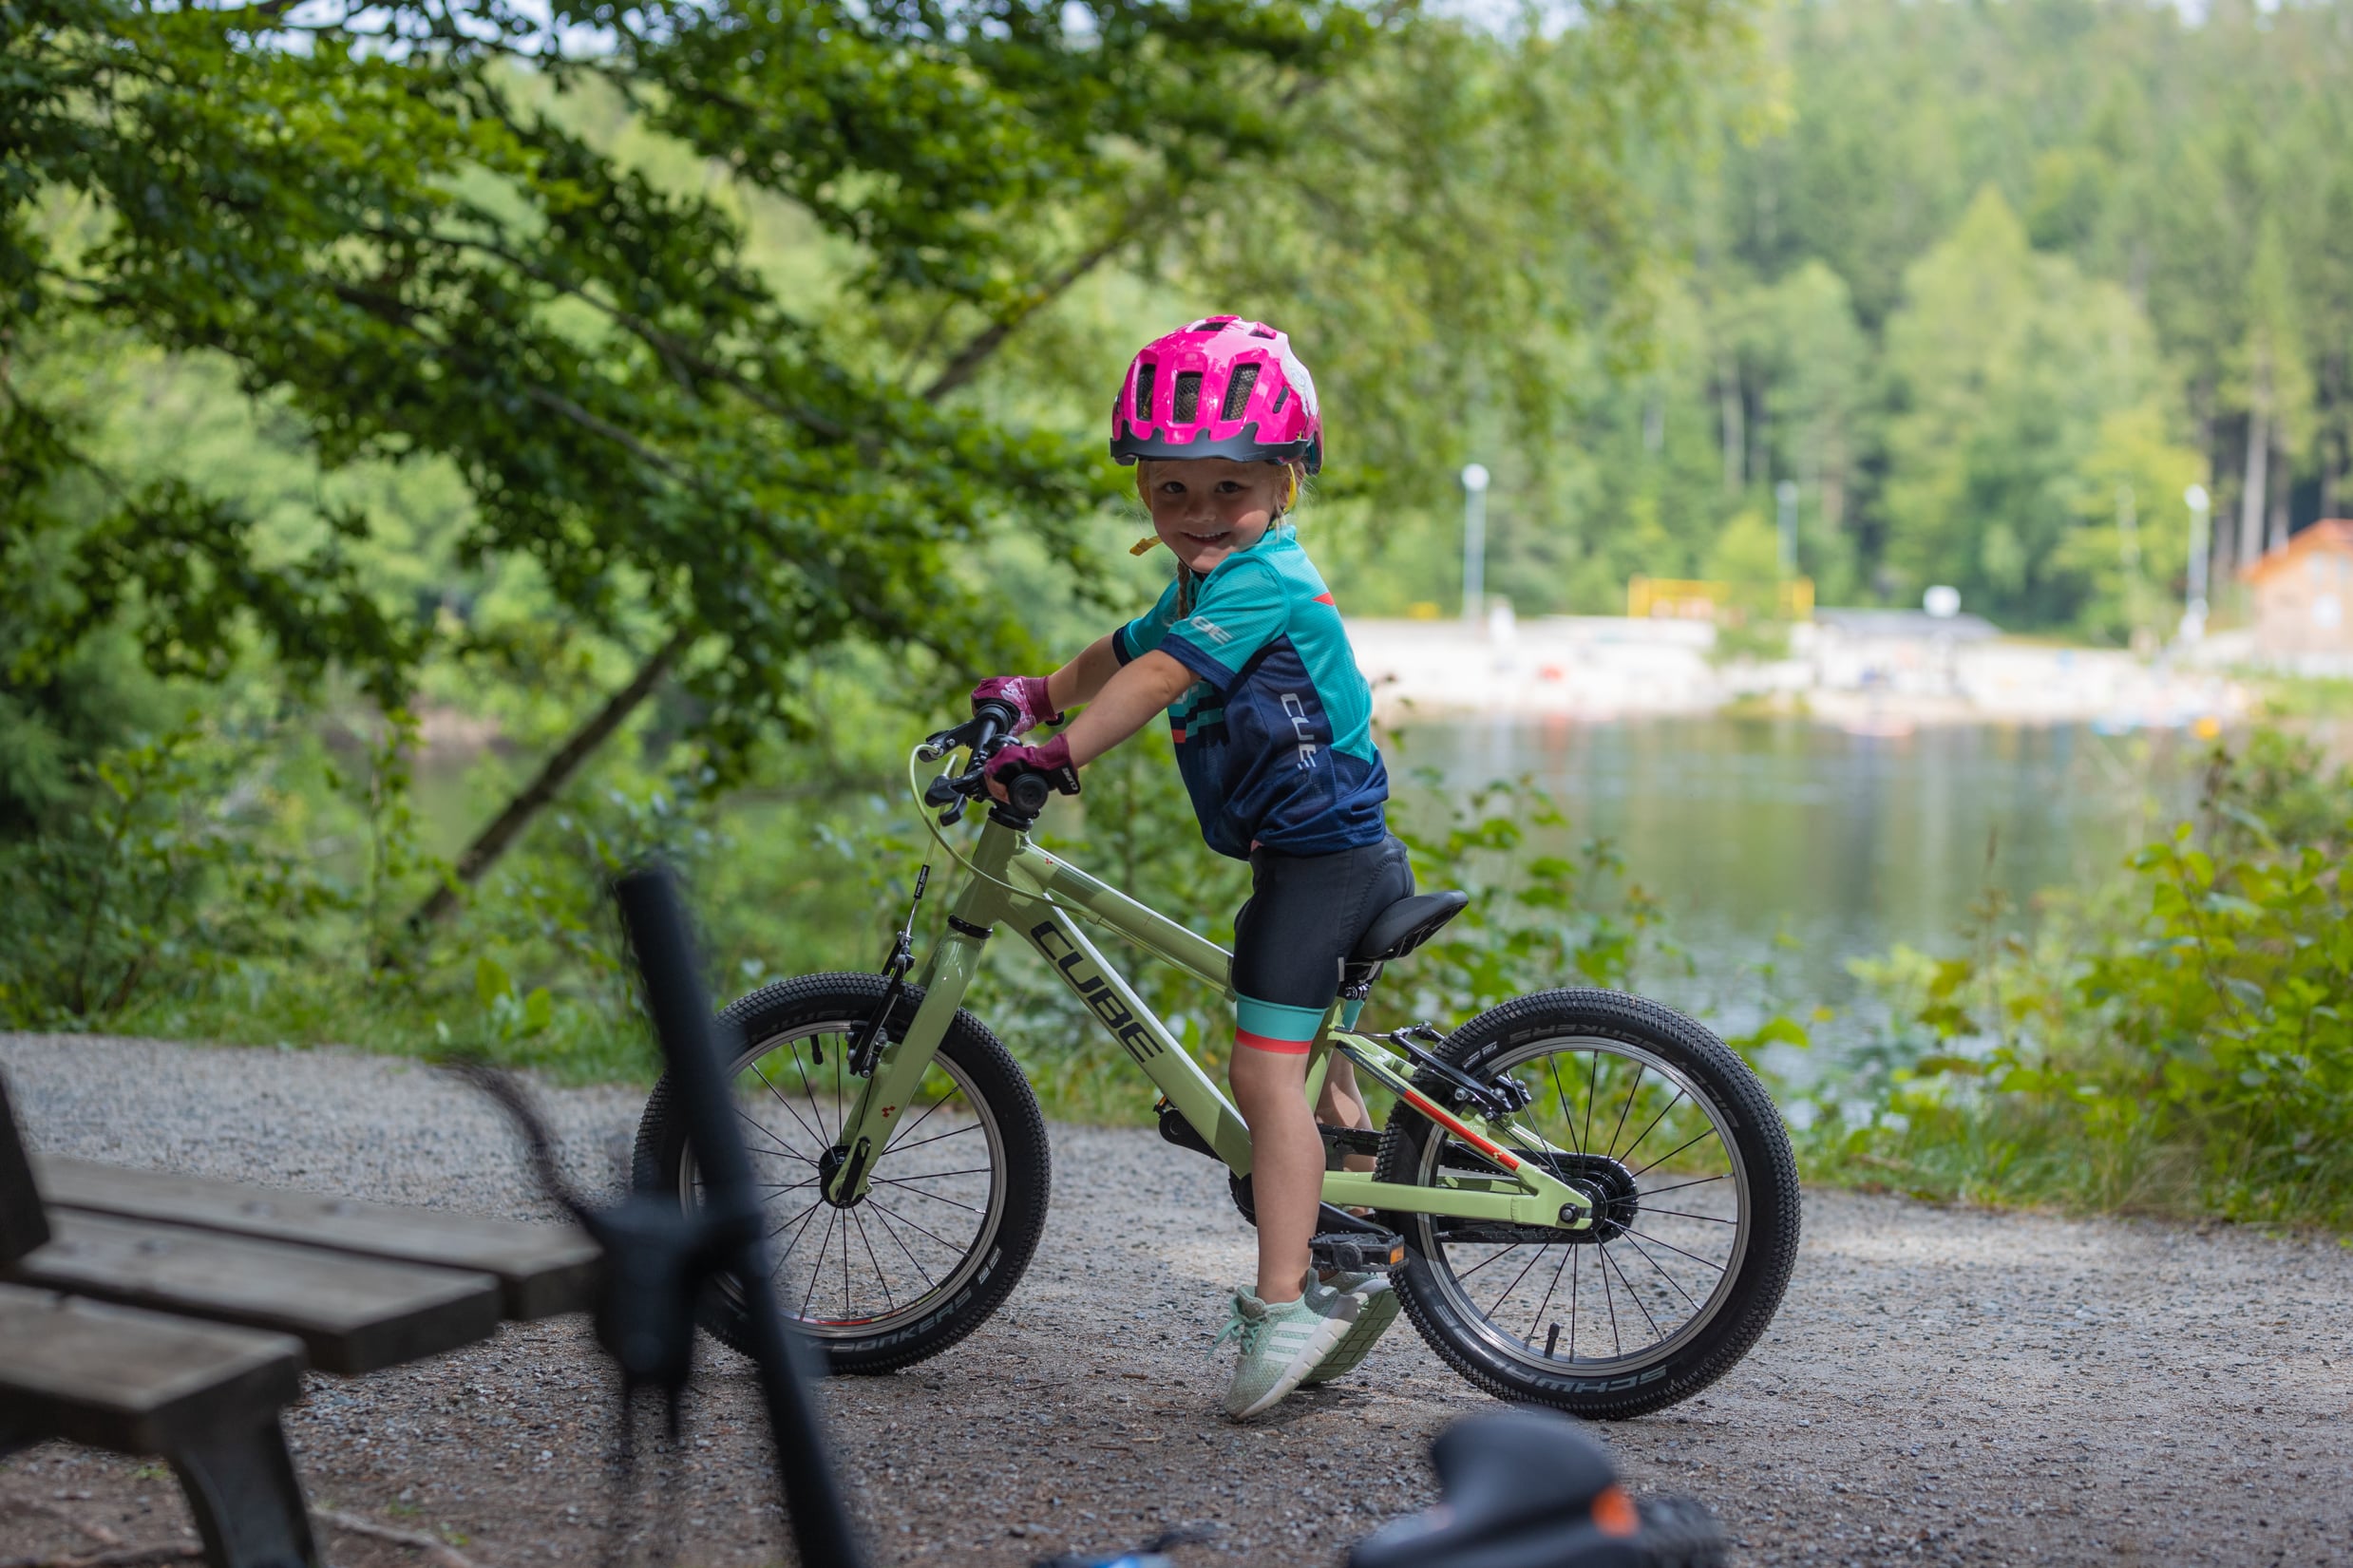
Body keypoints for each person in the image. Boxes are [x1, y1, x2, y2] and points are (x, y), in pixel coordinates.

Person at [973, 315, 1412, 1419]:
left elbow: (1164, 676)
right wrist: (1036, 693)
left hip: (1322, 864)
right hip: (1312, 853)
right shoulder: (1205, 577)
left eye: (1227, 489)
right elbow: (1122, 650)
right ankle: (1355, 1254)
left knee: (1263, 1079)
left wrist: (1055, 755)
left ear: (1282, 478)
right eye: (1171, 492)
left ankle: (1282, 1311)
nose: (1198, 516)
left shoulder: (1264, 579)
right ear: (1144, 492)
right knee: (1313, 1067)